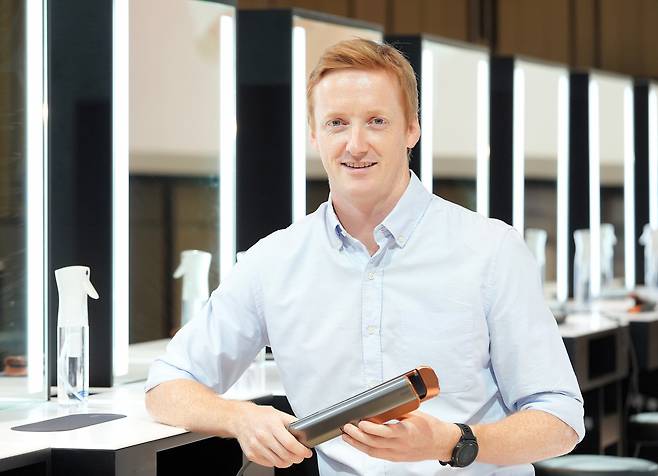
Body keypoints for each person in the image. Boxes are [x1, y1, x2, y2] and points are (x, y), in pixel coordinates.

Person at [145, 38, 584, 475]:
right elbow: (166, 385)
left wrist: (454, 441)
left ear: (411, 128)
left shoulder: (492, 250)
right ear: (315, 133)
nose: (355, 144)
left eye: (376, 121)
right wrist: (240, 418)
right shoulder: (273, 261)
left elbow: (560, 419)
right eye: (337, 123)